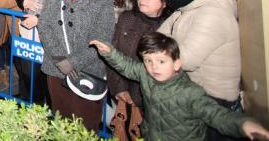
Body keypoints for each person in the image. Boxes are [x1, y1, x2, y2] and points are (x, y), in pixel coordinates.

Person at [91, 33, 269, 141]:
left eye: (161, 61)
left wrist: (244, 124)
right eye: (148, 61)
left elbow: (217, 115)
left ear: (177, 64)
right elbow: (127, 66)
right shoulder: (146, 74)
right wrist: (110, 52)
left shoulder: (190, 92)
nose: (154, 67)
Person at [158, 0, 242, 141]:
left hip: (214, 99)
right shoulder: (192, 2)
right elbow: (159, 34)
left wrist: (160, 49)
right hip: (197, 92)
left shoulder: (211, 13)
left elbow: (186, 59)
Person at [38, 0, 115, 131]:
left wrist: (72, 62)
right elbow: (45, 25)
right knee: (61, 120)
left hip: (88, 70)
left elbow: (102, 39)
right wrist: (59, 59)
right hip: (56, 67)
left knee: (85, 125)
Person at [106, 0, 167, 115]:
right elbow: (111, 53)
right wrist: (119, 89)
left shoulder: (168, 27)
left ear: (164, 1)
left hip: (149, 101)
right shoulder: (126, 18)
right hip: (121, 94)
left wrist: (139, 99)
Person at [13, 0, 60, 104]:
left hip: (48, 30)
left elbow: (60, 6)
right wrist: (25, 1)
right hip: (28, 28)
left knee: (44, 72)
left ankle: (47, 105)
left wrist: (39, 18)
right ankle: (32, 102)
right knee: (27, 69)